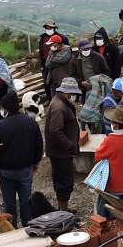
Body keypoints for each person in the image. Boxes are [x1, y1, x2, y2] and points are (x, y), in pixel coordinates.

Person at [0, 91, 43, 226]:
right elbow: (39, 144)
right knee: (26, 201)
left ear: (5, 108)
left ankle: (11, 227)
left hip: (6, 172)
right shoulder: (30, 122)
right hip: (26, 169)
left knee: (9, 203)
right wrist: (35, 162)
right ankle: (28, 226)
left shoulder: (0, 126)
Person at [44, 76, 83, 210]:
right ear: (64, 92)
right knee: (64, 182)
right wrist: (69, 145)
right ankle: (63, 212)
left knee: (64, 181)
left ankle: (64, 209)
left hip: (61, 151)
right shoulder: (59, 107)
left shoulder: (61, 102)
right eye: (70, 93)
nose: (72, 96)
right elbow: (55, 131)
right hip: (60, 152)